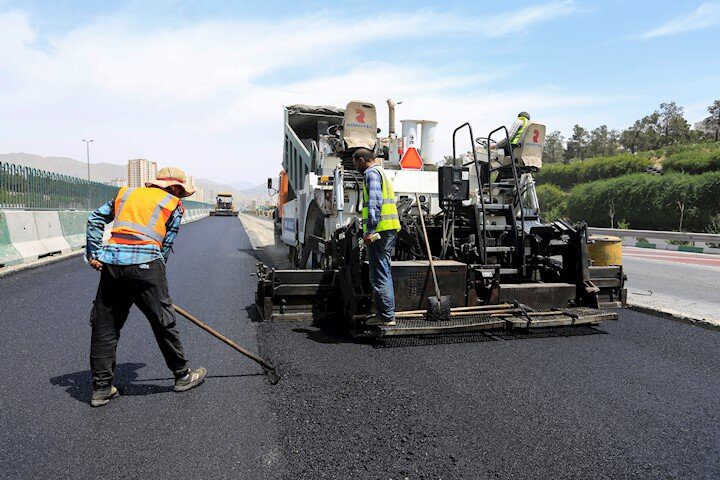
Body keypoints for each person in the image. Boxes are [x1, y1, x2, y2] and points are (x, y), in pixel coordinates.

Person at [85, 167, 206, 407]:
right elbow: (164, 247)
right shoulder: (172, 204)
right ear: (173, 187)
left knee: (105, 325)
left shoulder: (125, 194)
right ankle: (182, 375)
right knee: (163, 321)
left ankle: (101, 389)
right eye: (180, 191)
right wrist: (153, 282)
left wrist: (94, 254)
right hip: (146, 266)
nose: (180, 196)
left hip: (113, 266)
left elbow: (94, 218)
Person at [352, 148, 401, 327]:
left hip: (379, 232)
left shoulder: (371, 174)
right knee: (384, 271)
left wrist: (369, 231)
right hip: (388, 229)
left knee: (379, 274)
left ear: (362, 160)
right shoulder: (382, 171)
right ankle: (387, 313)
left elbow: (374, 203)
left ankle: (387, 316)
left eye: (356, 162)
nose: (356, 166)